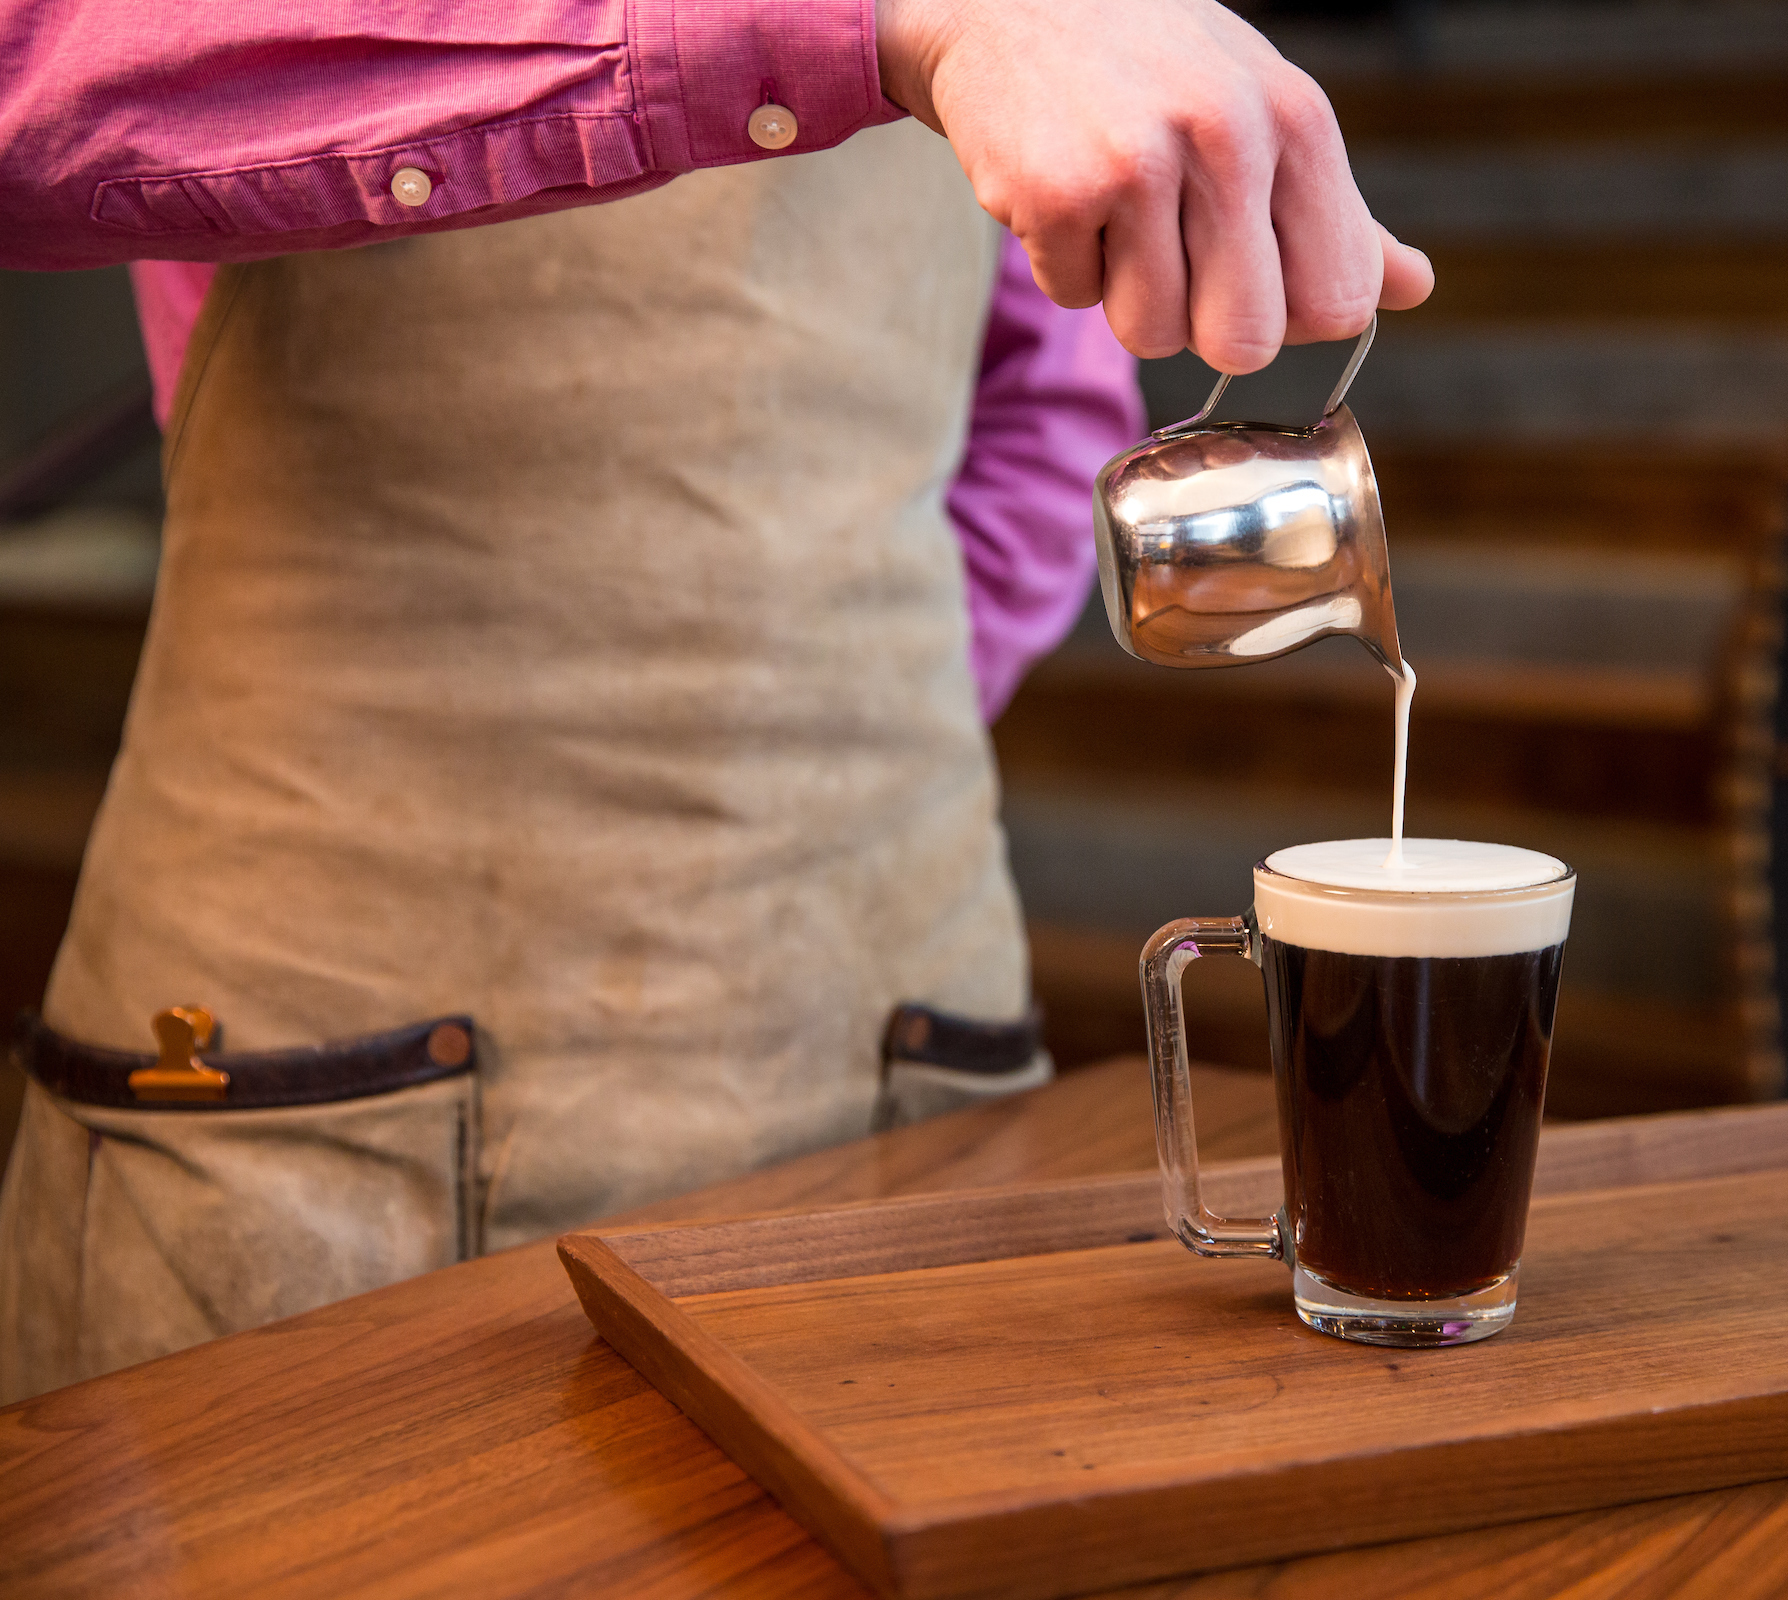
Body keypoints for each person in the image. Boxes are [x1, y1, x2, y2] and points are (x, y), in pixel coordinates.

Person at [0, 0, 1434, 1402]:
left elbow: (1043, 403)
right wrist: (859, 30)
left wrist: (845, 676)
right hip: (303, 1097)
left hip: (890, 1048)